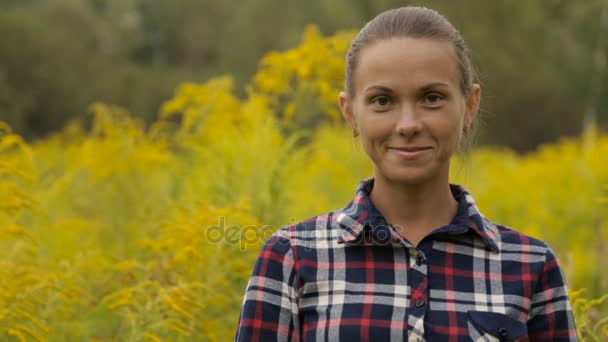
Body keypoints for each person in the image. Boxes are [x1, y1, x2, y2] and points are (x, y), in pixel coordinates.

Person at [235, 6, 577, 342]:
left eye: (432, 97)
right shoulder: (291, 257)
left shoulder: (532, 266)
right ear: (350, 112)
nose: (408, 124)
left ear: (470, 105)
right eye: (382, 101)